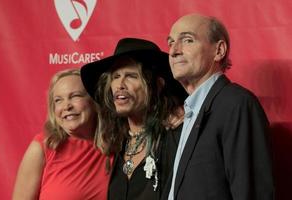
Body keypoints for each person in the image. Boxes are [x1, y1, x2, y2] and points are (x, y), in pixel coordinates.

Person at [165, 13, 274, 200]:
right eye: (170, 42)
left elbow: (251, 192)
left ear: (219, 50)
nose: (174, 50)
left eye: (188, 40)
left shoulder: (236, 103)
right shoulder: (188, 111)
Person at [80, 38, 187, 200]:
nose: (120, 84)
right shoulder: (115, 143)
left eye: (131, 76)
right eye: (115, 76)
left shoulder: (178, 135)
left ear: (157, 85)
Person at [12, 69, 112, 200]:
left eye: (75, 96)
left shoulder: (116, 145)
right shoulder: (43, 147)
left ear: (94, 101)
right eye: (58, 100)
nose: (66, 106)